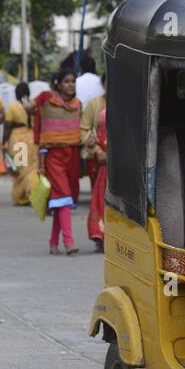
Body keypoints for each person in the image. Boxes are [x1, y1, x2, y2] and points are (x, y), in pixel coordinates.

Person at [34, 69, 82, 254]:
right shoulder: (48, 104)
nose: (71, 85)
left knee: (61, 200)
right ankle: (68, 242)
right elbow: (44, 134)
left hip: (73, 156)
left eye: (73, 81)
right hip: (54, 158)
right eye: (66, 81)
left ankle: (53, 242)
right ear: (58, 84)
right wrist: (41, 164)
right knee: (64, 197)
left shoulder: (78, 105)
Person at [80, 88, 106, 252]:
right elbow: (84, 129)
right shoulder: (94, 104)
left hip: (122, 162)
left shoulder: (129, 101)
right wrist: (98, 151)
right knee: (100, 196)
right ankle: (100, 234)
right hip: (100, 159)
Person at [4, 82, 37, 206]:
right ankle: (32, 194)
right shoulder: (33, 105)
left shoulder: (13, 106)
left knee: (20, 169)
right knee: (32, 169)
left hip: (18, 140)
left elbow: (7, 126)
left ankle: (20, 197)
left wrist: (3, 142)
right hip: (32, 138)